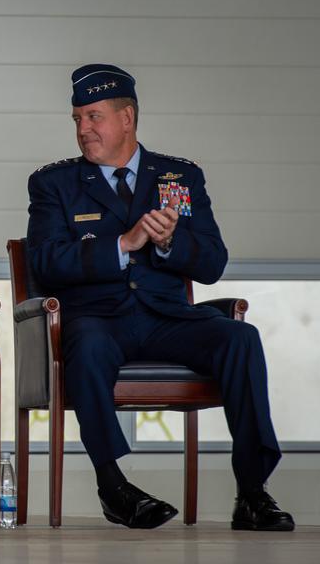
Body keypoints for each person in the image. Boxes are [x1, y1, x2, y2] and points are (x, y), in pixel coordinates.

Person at [26, 63, 294, 531]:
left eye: (93, 117)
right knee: (86, 347)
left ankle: (252, 492)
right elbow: (46, 263)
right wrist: (122, 246)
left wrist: (171, 243)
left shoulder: (180, 176)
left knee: (241, 338)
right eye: (77, 119)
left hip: (166, 318)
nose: (83, 129)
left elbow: (212, 264)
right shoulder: (54, 184)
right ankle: (113, 487)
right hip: (98, 320)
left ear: (127, 118)